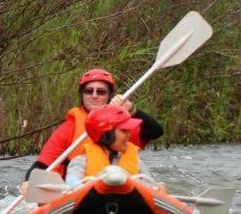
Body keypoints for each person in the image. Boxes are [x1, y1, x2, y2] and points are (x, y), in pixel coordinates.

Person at [20, 69, 163, 191]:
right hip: (80, 192)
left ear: (110, 96)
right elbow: (43, 164)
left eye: (101, 92)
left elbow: (155, 131)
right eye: (89, 91)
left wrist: (131, 109)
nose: (94, 96)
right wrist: (29, 182)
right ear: (82, 95)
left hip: (124, 190)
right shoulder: (71, 133)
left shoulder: (122, 124)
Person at [65, 104, 154, 185]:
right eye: (124, 130)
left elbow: (151, 186)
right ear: (105, 134)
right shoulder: (81, 161)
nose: (129, 134)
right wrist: (80, 186)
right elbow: (71, 182)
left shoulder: (136, 161)